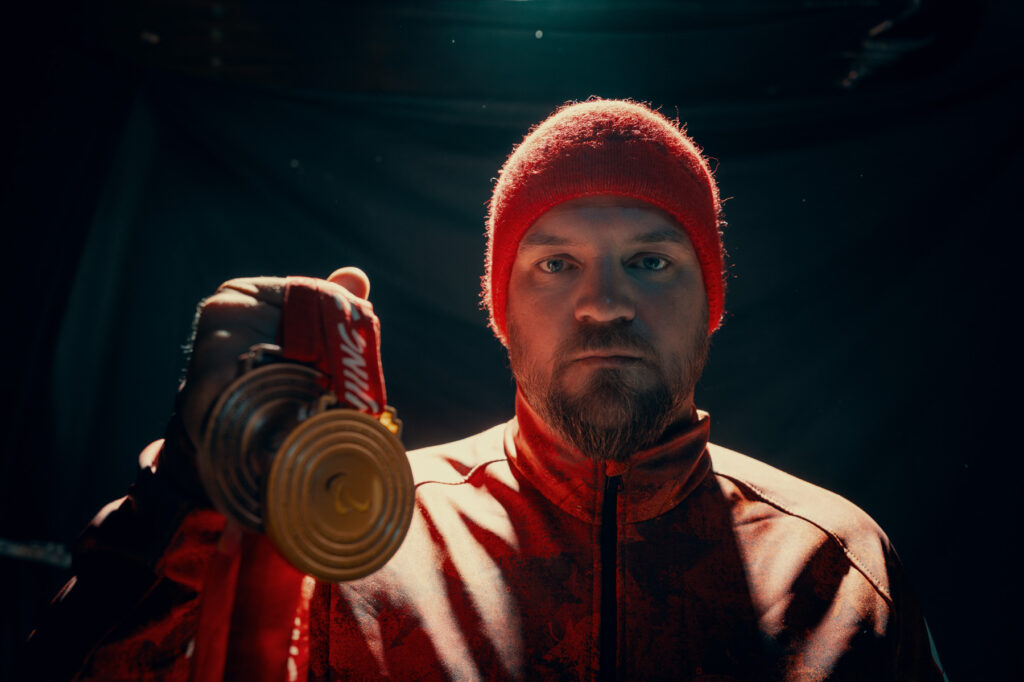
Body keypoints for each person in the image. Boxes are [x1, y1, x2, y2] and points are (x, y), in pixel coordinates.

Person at [24, 99, 947, 680]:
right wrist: (187, 488)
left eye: (651, 261)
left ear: (713, 304)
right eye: (555, 264)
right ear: (500, 311)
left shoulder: (835, 561)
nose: (604, 304)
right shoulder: (361, 544)